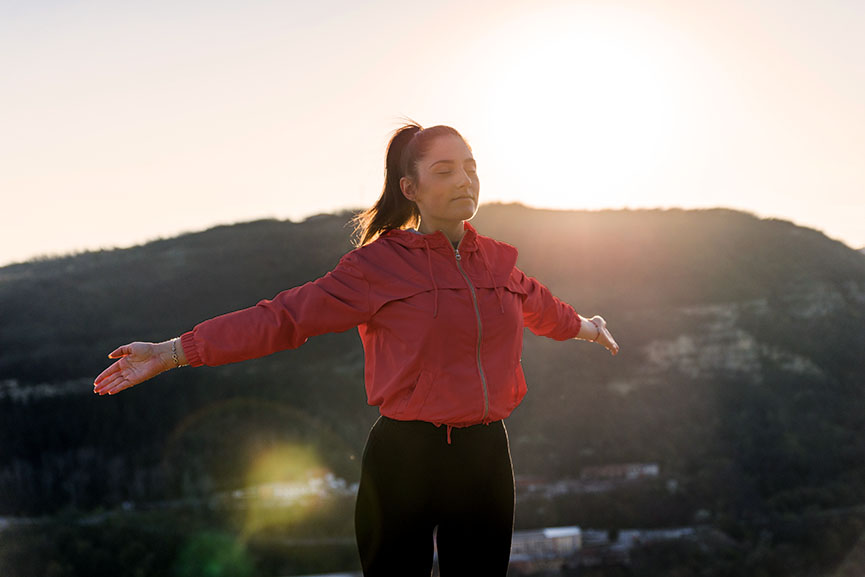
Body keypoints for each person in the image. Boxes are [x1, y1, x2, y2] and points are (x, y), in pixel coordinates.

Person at [94, 123, 619, 576]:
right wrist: (175, 351)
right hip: (405, 458)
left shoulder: (498, 266)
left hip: (485, 459)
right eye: (444, 170)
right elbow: (284, 318)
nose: (464, 179)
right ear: (409, 187)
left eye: (470, 166)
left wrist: (590, 328)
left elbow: (547, 311)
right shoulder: (379, 267)